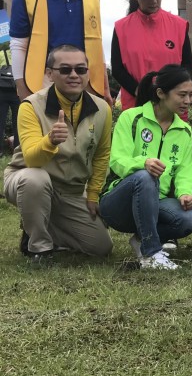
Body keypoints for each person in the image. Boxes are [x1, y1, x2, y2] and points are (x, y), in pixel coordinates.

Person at [3, 45, 113, 264]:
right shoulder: (31, 106)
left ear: (87, 73)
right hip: (26, 179)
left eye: (80, 69)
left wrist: (92, 194)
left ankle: (37, 223)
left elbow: (101, 155)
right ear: (49, 73)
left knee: (101, 247)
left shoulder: (102, 109)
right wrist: (50, 140)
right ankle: (39, 248)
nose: (74, 75)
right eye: (65, 70)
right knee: (35, 179)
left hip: (70, 190)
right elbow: (32, 160)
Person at [99, 65, 192, 270]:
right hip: (119, 203)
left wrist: (185, 193)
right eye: (182, 95)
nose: (188, 101)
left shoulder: (185, 131)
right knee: (145, 177)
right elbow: (117, 159)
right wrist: (142, 163)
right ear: (161, 93)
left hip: (156, 204)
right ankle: (150, 253)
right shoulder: (131, 118)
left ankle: (141, 239)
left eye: (191, 95)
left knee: (188, 218)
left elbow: (184, 171)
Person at [112, 0, 192, 112]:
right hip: (136, 105)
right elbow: (117, 69)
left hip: (172, 106)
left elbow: (187, 66)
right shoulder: (121, 27)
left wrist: (170, 92)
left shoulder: (179, 25)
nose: (154, 0)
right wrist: (139, 91)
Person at [0, 49, 20, 155]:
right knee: (18, 121)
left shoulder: (0, 54)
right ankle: (17, 148)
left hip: (1, 90)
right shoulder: (17, 53)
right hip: (16, 91)